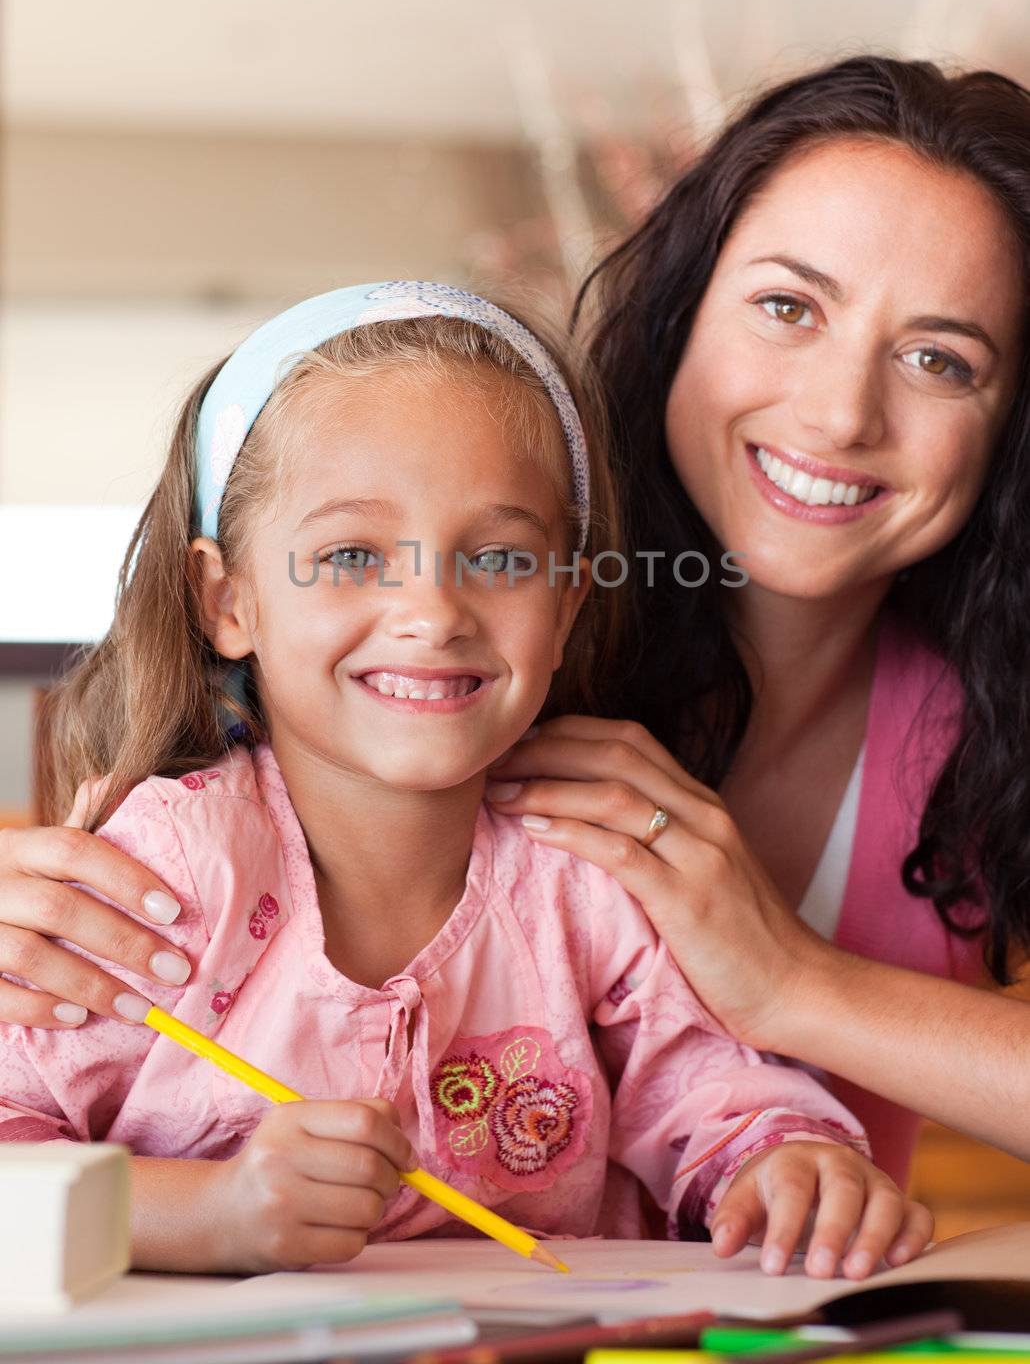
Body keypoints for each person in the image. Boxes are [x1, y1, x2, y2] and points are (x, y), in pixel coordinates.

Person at [0, 280, 927, 1278]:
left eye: (498, 556)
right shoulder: (163, 875)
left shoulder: (586, 869)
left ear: (568, 603)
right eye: (351, 553)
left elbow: (713, 1093)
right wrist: (209, 1213)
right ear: (227, 600)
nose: (432, 610)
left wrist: (787, 1164)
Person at [480, 56, 1030, 1183]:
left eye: (938, 358)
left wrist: (792, 981)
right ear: (680, 318)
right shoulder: (467, 642)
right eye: (787, 307)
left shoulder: (988, 719)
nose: (839, 413)